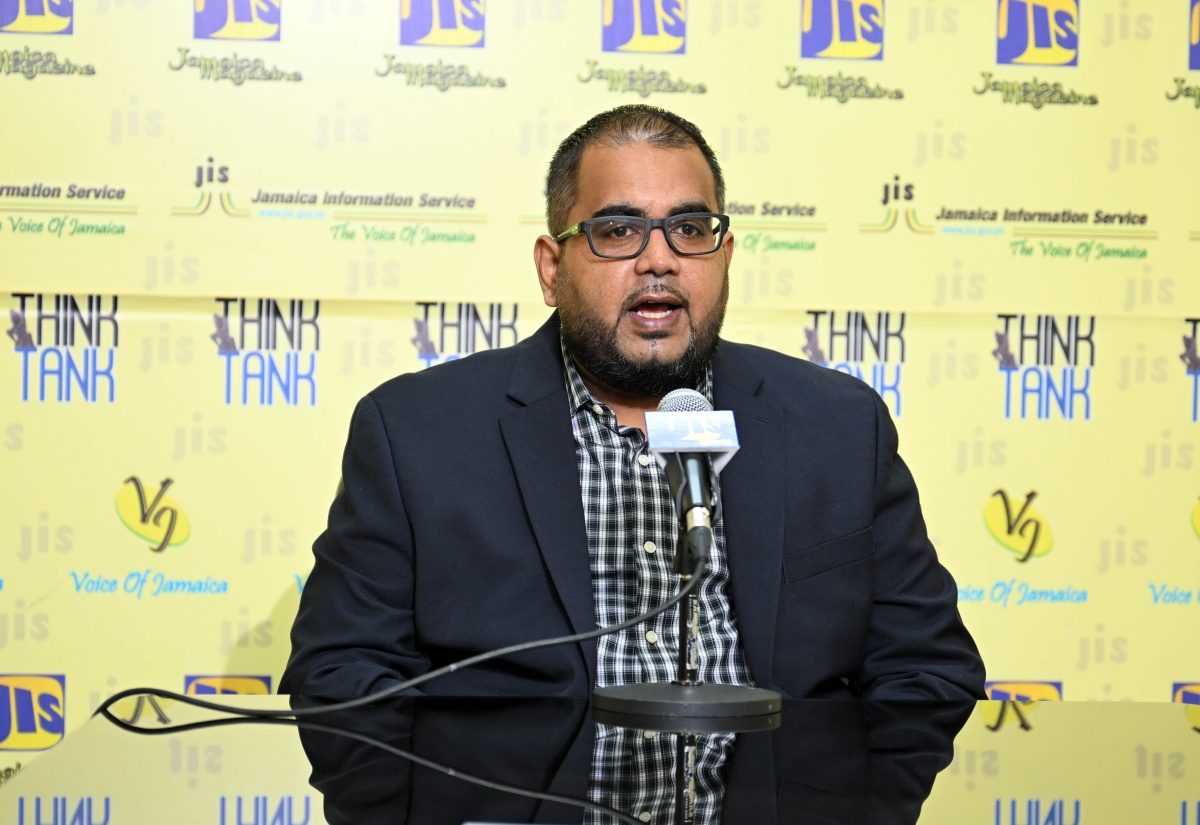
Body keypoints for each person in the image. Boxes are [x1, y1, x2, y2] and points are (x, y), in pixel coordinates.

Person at [280, 105, 985, 702]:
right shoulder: (417, 434)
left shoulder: (839, 428)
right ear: (552, 269)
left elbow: (929, 673)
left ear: (725, 255)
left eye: (690, 229)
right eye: (617, 230)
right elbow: (338, 676)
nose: (659, 259)